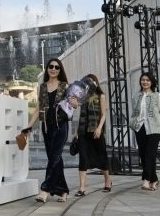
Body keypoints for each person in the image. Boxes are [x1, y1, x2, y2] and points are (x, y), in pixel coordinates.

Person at [23, 58, 77, 203]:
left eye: (56, 67)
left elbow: (75, 104)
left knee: (54, 157)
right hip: (47, 127)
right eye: (51, 66)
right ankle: (63, 190)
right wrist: (29, 126)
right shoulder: (42, 87)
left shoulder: (65, 86)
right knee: (55, 159)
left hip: (61, 126)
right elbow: (38, 109)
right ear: (47, 69)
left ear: (60, 70)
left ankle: (45, 189)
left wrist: (74, 102)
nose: (53, 69)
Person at [129, 72, 160, 191]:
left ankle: (146, 180)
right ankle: (154, 179)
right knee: (143, 154)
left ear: (152, 82)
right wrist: (133, 122)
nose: (145, 82)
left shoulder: (157, 96)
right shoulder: (136, 96)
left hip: (154, 128)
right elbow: (134, 112)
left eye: (148, 80)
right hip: (140, 128)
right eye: (143, 80)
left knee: (150, 153)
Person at [72, 75, 112, 195]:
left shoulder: (101, 96)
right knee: (83, 159)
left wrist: (99, 128)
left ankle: (108, 181)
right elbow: (81, 115)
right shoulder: (83, 97)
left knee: (102, 157)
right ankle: (82, 188)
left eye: (92, 81)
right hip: (83, 132)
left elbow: (103, 115)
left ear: (96, 83)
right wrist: (76, 132)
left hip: (96, 131)